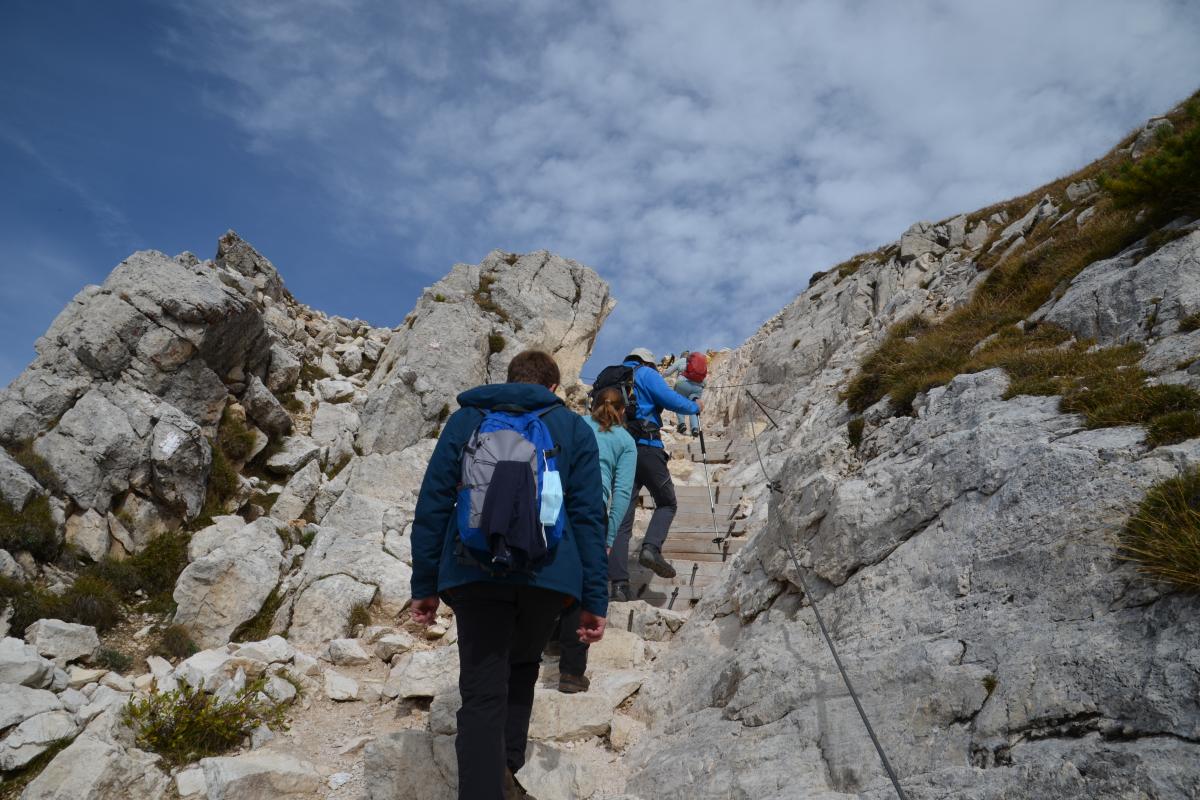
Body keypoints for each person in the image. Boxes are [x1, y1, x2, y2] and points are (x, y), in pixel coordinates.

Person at [409, 350, 609, 800]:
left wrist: (424, 586)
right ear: (553, 388)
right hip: (547, 576)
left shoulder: (467, 421)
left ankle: (484, 786)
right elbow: (587, 517)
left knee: (481, 694)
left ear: (510, 379)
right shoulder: (572, 427)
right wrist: (594, 599)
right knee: (522, 667)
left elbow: (435, 501)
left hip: (473, 570)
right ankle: (507, 769)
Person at [557, 386, 636, 694]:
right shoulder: (626, 441)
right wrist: (610, 535)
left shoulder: (577, 424)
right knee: (584, 586)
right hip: (591, 510)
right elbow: (622, 494)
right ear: (624, 409)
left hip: (558, 503)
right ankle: (571, 673)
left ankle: (544, 642)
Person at [607, 347, 701, 600]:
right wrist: (694, 408)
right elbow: (669, 399)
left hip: (619, 451)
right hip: (647, 447)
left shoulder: (613, 378)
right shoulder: (646, 373)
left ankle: (618, 585)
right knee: (667, 502)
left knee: (623, 519)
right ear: (647, 361)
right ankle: (650, 548)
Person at [665, 349, 707, 436]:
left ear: (682, 356)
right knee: (694, 405)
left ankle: (682, 424)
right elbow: (704, 379)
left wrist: (660, 376)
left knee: (679, 402)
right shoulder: (698, 364)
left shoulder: (681, 360)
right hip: (698, 387)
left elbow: (669, 371)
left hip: (683, 384)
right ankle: (695, 428)